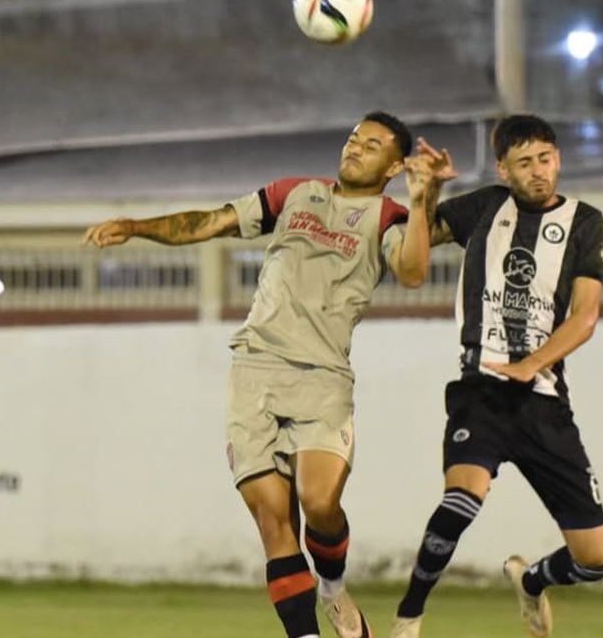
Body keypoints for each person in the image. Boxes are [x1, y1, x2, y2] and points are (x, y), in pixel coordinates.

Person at [83, 112, 455, 638]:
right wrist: (137, 227)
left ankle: (332, 586)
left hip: (323, 376)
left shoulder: (390, 217)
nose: (355, 148)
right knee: (273, 523)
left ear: (395, 167)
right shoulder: (294, 194)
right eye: (353, 139)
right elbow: (212, 221)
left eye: (371, 146)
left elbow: (413, 272)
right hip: (255, 368)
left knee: (319, 502)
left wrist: (422, 199)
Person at [389, 114, 603, 638]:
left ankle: (532, 581)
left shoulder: (585, 222)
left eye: (545, 159)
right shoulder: (485, 207)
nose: (538, 171)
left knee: (596, 561)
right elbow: (412, 258)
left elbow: (585, 317)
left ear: (558, 158)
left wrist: (531, 364)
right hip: (481, 391)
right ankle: (409, 616)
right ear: (503, 170)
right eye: (524, 163)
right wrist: (425, 194)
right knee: (461, 499)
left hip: (543, 401)